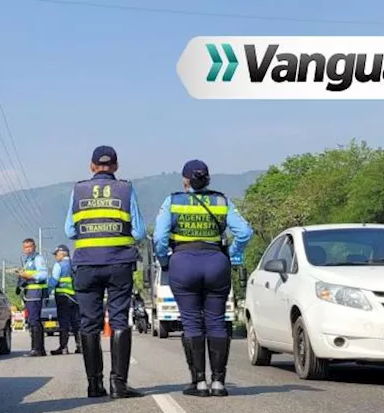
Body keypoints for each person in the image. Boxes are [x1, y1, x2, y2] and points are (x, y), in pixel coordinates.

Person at [153, 159, 253, 397]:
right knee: (216, 321)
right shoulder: (221, 201)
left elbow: (158, 238)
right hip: (216, 262)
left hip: (183, 262)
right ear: (208, 179)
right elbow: (245, 232)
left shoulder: (173, 201)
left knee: (190, 321)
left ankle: (198, 382)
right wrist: (233, 255)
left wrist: (165, 261)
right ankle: (218, 382)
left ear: (185, 180)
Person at [64, 145, 147, 399]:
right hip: (119, 263)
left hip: (86, 264)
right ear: (116, 166)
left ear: (91, 166)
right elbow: (140, 232)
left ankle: (94, 385)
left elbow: (69, 230)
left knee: (89, 324)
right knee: (119, 319)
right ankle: (118, 384)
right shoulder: (125, 189)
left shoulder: (78, 190)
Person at [16, 238, 51, 357]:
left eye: (30, 246)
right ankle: (39, 349)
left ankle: (37, 349)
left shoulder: (37, 258)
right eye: (25, 247)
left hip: (35, 293)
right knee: (33, 320)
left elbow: (43, 274)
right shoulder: (27, 260)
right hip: (29, 294)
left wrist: (27, 275)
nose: (28, 249)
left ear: (34, 247)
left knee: (34, 320)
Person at [48, 244, 81, 355]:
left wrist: (46, 293)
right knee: (76, 322)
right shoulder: (75, 264)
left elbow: (54, 281)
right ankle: (80, 346)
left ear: (62, 253)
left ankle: (63, 348)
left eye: (56, 254)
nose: (55, 257)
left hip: (63, 297)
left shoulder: (59, 265)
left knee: (64, 323)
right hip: (76, 298)